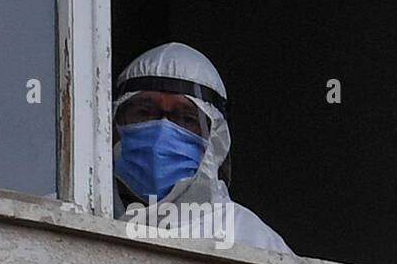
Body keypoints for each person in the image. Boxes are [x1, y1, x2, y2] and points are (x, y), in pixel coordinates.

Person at [112, 42, 291, 253]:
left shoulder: (248, 239)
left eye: (186, 119)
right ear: (115, 124)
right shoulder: (92, 209)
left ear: (214, 137)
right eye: (144, 113)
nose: (162, 131)